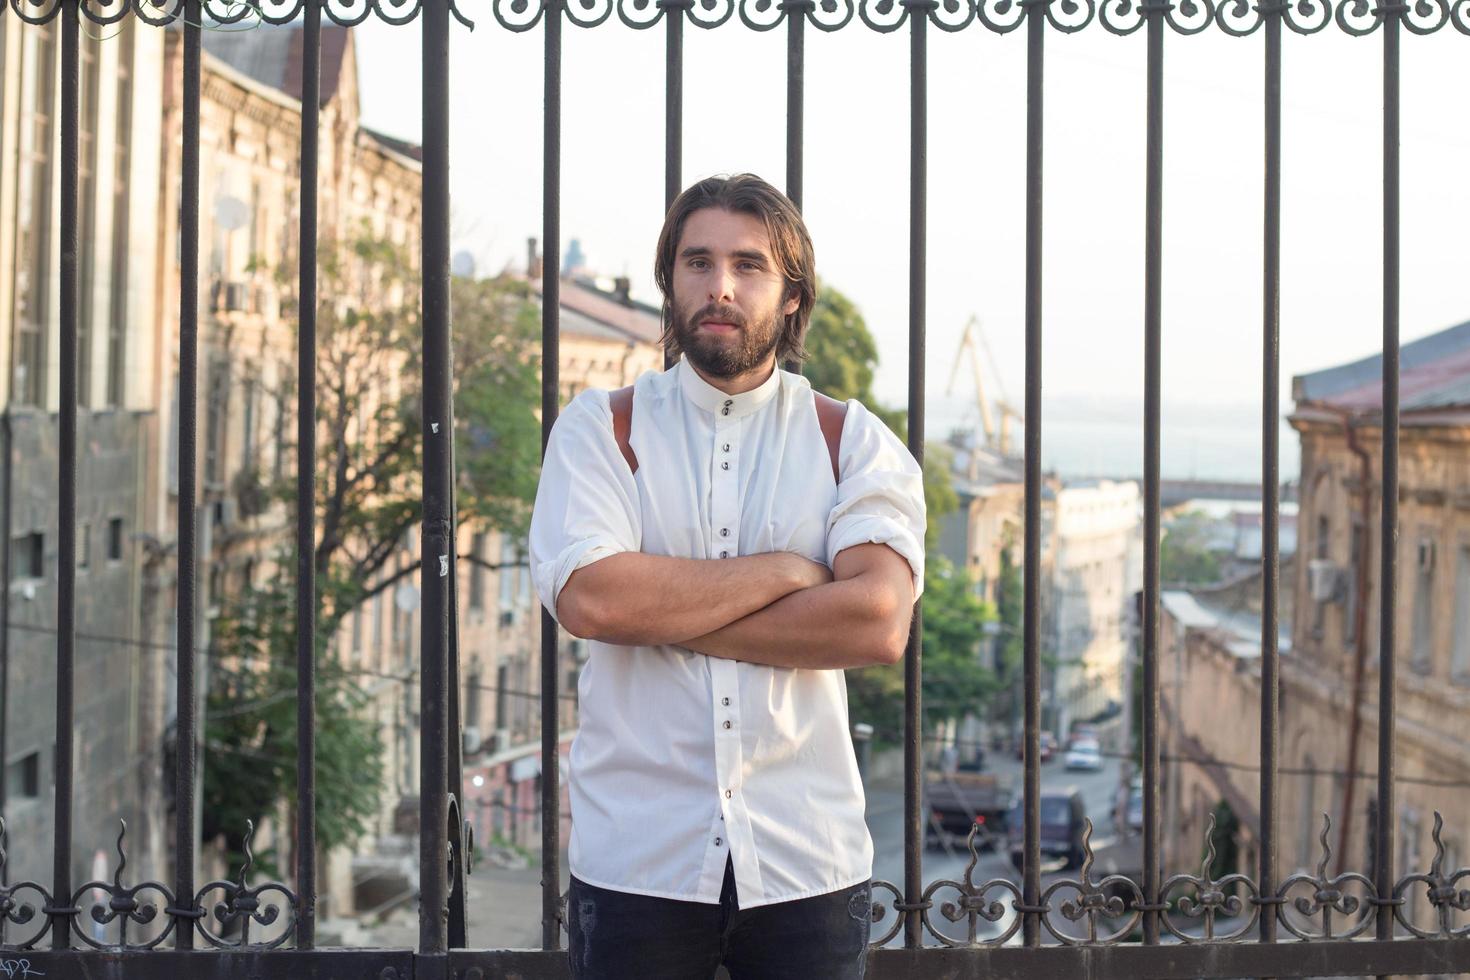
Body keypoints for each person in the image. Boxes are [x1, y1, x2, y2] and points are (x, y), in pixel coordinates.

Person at [529, 173, 926, 979]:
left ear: (790, 295)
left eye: (749, 266)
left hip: (806, 861)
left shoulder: (852, 441)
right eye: (697, 262)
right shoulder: (601, 428)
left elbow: (877, 623)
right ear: (669, 282)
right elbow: (593, 598)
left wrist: (662, 609)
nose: (720, 286)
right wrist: (786, 572)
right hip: (636, 858)